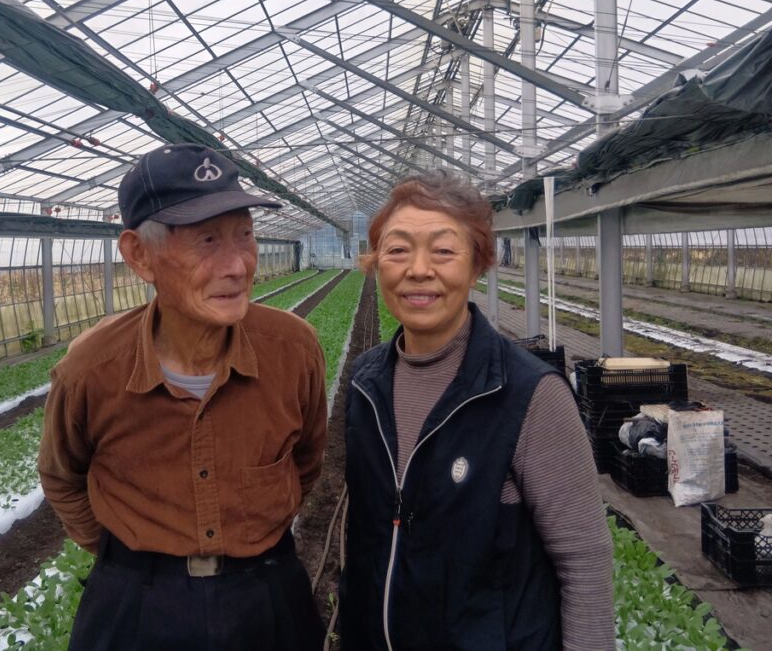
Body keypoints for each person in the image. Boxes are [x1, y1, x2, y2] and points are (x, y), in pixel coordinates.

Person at [38, 143, 328, 651]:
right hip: (136, 604)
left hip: (266, 591)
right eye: (207, 240)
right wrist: (131, 563)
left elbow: (306, 460)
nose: (237, 265)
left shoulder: (292, 350)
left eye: (245, 235)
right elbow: (63, 476)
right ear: (139, 255)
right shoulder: (92, 369)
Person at [339, 171, 613, 651]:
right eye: (397, 249)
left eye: (443, 251)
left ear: (477, 264)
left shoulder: (530, 395)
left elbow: (584, 560)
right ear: (376, 262)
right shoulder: (366, 382)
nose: (418, 270)